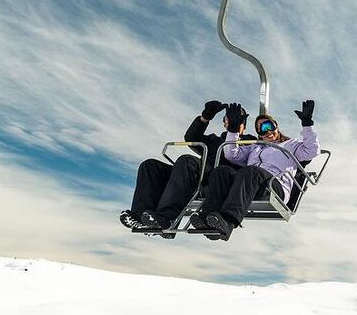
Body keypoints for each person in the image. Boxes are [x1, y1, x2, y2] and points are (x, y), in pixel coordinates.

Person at [120, 100, 256, 233]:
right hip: (194, 173)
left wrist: (235, 132)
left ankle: (168, 217)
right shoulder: (215, 140)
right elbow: (192, 137)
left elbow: (250, 160)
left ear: (243, 124)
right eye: (228, 119)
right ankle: (140, 216)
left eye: (236, 120)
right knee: (150, 166)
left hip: (220, 178)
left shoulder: (250, 142)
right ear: (225, 123)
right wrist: (205, 117)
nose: (231, 122)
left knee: (187, 161)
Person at [193, 100, 319, 240]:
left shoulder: (292, 145)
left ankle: (228, 221)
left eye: (268, 125)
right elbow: (230, 154)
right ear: (258, 133)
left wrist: (307, 124)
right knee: (222, 171)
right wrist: (233, 130)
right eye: (261, 129)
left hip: (275, 186)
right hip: (252, 183)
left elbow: (312, 150)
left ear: (276, 125)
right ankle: (207, 219)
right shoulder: (254, 147)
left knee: (251, 171)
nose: (268, 132)